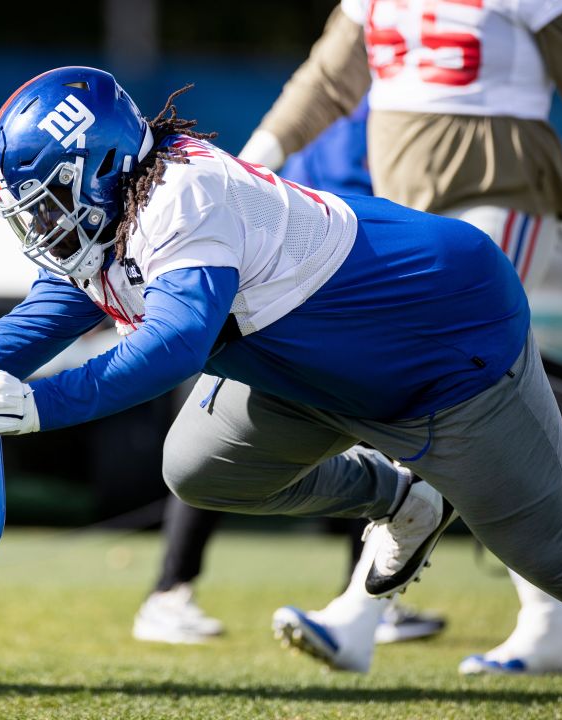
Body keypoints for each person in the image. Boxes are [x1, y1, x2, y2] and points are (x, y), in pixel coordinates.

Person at [0, 68, 562, 660]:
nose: (38, 225)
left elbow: (174, 345)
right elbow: (45, 317)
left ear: (97, 167)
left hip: (442, 345)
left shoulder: (184, 195)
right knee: (200, 467)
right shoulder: (119, 206)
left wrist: (40, 407)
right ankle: (396, 497)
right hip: (316, 370)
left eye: (46, 202)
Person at [232, 0, 562, 674]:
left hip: (504, 197)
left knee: (436, 397)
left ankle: (358, 614)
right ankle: (552, 621)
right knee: (487, 417)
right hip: (407, 220)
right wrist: (245, 166)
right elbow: (328, 81)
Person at [131, 95, 446, 649]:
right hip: (283, 296)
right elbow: (369, 211)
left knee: (216, 441)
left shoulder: (351, 103)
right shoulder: (385, 110)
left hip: (264, 289)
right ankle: (172, 591)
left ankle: (173, 591)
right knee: (220, 442)